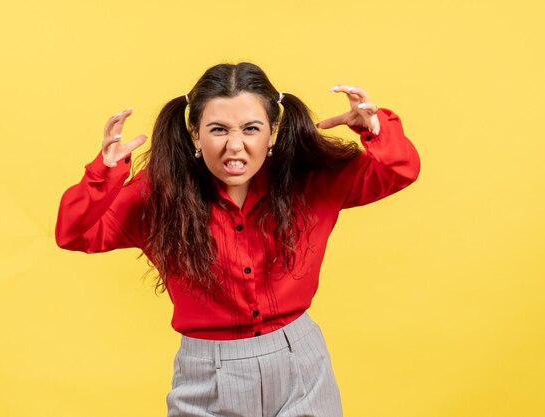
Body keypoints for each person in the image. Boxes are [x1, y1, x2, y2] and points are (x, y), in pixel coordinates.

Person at [55, 62, 420, 417]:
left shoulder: (309, 180)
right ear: (195, 134)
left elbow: (399, 169)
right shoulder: (157, 194)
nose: (235, 145)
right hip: (206, 377)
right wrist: (104, 174)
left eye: (250, 128)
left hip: (301, 367)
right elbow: (73, 233)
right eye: (218, 129)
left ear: (272, 132)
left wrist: (374, 128)